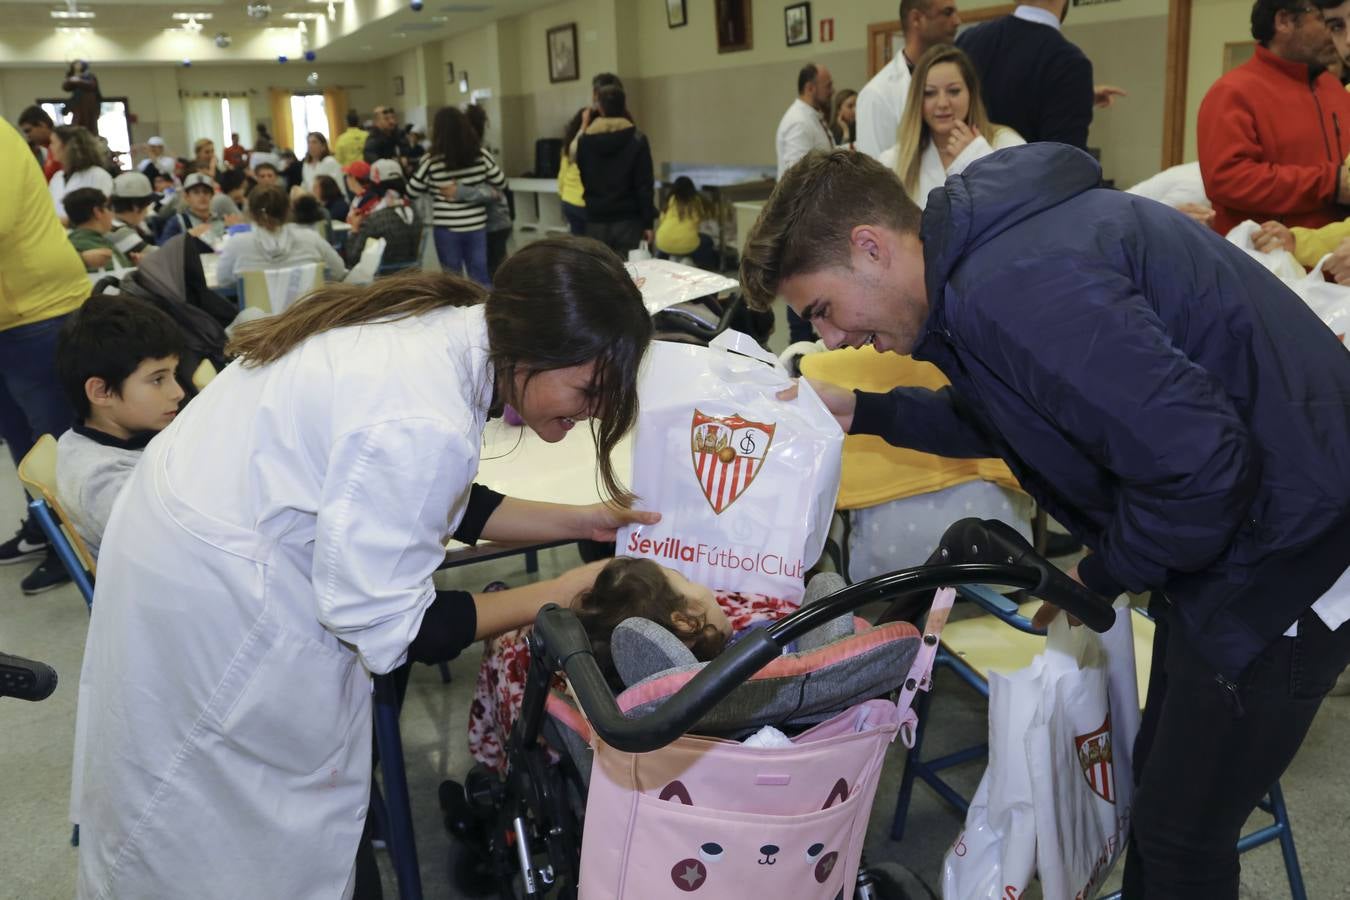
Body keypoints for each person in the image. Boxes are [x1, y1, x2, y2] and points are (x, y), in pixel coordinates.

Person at [740, 146, 1350, 900]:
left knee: (1183, 838)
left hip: (1292, 546)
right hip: (1254, 529)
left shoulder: (1017, 287)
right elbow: (1020, 414)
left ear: (869, 245)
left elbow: (1204, 466)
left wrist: (1099, 573)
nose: (831, 340)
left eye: (822, 311)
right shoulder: (986, 266)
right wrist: (865, 410)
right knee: (1164, 811)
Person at [71, 238, 658, 899]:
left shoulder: (450, 331)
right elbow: (399, 631)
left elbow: (440, 499)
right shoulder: (420, 411)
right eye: (586, 389)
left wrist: (581, 520)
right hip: (216, 613)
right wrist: (562, 593)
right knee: (213, 838)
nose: (594, 413)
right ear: (533, 350)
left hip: (187, 546)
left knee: (192, 820)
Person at [0, 120, 88, 595]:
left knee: (53, 439)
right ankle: (44, 526)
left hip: (40, 309)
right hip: (9, 316)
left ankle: (73, 544)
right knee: (20, 439)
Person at [1199, 0, 1350, 236]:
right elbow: (1227, 180)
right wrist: (1330, 184)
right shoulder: (1233, 91)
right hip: (1265, 262)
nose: (1333, 33)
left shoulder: (1335, 89)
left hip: (1335, 263)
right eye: (1323, 19)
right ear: (1284, 21)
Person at [54, 296, 185, 560]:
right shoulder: (102, 482)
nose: (178, 392)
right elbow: (175, 551)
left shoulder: (112, 434)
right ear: (101, 392)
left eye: (174, 374)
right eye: (158, 379)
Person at [957, 0, 1123, 151]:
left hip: (960, 178)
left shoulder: (968, 40)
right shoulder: (1068, 62)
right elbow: (1065, 162)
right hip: (1021, 181)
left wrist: (1078, 96)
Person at [881, 45, 1026, 208]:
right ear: (917, 99)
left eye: (953, 91)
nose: (942, 103)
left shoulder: (1007, 144)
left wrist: (979, 158)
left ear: (971, 93)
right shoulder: (895, 161)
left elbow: (1026, 208)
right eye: (930, 93)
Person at [408, 105, 506, 286]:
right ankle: (484, 311)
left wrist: (434, 186)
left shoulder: (431, 160)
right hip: (476, 226)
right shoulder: (480, 155)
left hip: (447, 228)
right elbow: (501, 182)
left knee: (452, 282)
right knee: (480, 277)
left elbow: (412, 190)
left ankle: (456, 312)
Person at [856, 0, 962, 159]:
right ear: (916, 19)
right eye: (947, 13)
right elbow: (873, 176)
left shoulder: (962, 77)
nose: (957, 21)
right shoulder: (877, 95)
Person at [576, 85, 657, 257]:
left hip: (595, 218)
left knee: (600, 275)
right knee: (630, 275)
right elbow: (644, 185)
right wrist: (648, 223)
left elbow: (583, 176)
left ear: (600, 108)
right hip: (629, 220)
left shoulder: (584, 142)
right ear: (624, 106)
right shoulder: (637, 139)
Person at [215, 183, 347, 285]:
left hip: (259, 319)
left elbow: (224, 280)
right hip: (309, 317)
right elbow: (339, 271)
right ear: (288, 209)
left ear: (250, 212)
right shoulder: (311, 238)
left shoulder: (237, 244)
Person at [459, 104, 515, 277]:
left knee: (494, 271)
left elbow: (496, 187)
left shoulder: (479, 154)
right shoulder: (477, 153)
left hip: (493, 222)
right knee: (494, 269)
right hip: (495, 220)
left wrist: (457, 192)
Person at [345, 160, 421, 271]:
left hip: (382, 282)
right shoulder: (416, 213)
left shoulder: (375, 220)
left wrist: (355, 230)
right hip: (413, 277)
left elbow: (353, 257)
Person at [775, 63, 835, 179]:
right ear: (810, 88)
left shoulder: (812, 116)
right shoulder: (798, 122)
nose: (832, 91)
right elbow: (797, 177)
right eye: (828, 86)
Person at [47, 125, 114, 224]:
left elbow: (100, 215)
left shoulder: (98, 175)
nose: (50, 147)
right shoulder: (57, 177)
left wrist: (63, 222)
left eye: (53, 143)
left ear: (66, 146)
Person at [654, 176, 718, 270]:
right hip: (688, 243)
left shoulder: (670, 199)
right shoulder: (695, 200)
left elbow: (662, 218)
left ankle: (666, 260)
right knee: (707, 241)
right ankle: (699, 266)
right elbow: (699, 219)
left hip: (662, 240)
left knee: (668, 243)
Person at [64, 188, 132, 273]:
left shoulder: (67, 246)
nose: (111, 214)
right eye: (108, 208)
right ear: (97, 212)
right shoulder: (99, 246)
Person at [157, 172, 224, 246]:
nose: (202, 196)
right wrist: (187, 236)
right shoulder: (178, 221)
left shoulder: (221, 220)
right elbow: (163, 249)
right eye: (196, 192)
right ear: (187, 197)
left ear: (212, 196)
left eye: (206, 192)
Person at [107, 171, 157, 261]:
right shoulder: (119, 232)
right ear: (136, 207)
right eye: (147, 206)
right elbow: (161, 256)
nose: (147, 212)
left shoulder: (112, 224)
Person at [558, 108, 588, 236]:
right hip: (587, 202)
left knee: (578, 242)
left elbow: (562, 176)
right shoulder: (591, 144)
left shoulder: (568, 146)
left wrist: (563, 196)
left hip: (569, 199)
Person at [19, 106, 63, 182]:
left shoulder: (64, 144)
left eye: (28, 130)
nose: (28, 136)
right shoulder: (50, 148)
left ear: (42, 125)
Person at [62, 60, 101, 133]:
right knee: (77, 121)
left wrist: (78, 81)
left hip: (88, 102)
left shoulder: (89, 76)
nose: (77, 66)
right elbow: (66, 87)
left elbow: (92, 85)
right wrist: (71, 80)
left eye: (79, 64)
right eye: (76, 64)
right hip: (77, 102)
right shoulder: (72, 76)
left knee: (89, 121)